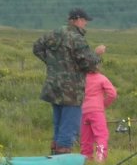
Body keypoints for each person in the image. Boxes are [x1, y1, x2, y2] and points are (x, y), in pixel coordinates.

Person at [33, 8, 106, 154]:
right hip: (72, 90)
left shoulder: (54, 33)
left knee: (59, 124)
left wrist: (53, 64)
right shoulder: (76, 38)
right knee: (70, 126)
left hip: (54, 87)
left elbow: (37, 47)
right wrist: (96, 54)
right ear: (77, 19)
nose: (86, 24)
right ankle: (62, 160)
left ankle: (54, 156)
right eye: (85, 21)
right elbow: (89, 64)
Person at [81, 61, 117, 162]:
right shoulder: (102, 78)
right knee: (101, 135)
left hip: (84, 111)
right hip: (97, 111)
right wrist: (104, 104)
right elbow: (112, 94)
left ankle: (85, 159)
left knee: (86, 139)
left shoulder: (82, 78)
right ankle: (100, 158)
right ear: (98, 66)